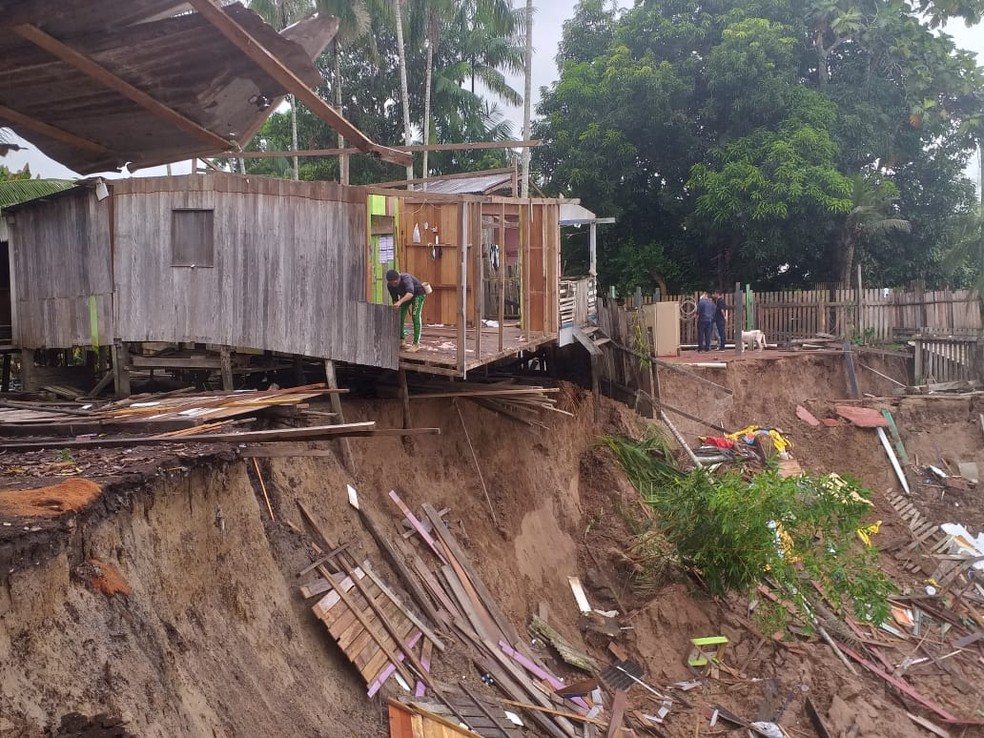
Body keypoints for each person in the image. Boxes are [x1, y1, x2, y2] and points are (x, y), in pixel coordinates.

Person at [386, 269, 426, 352]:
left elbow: (410, 294)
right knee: (399, 316)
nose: (394, 285)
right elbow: (395, 299)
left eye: (396, 283)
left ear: (399, 278)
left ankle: (416, 344)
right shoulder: (390, 285)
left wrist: (400, 302)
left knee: (415, 316)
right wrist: (396, 306)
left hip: (417, 294)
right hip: (405, 296)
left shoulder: (406, 278)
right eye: (392, 284)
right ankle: (401, 340)